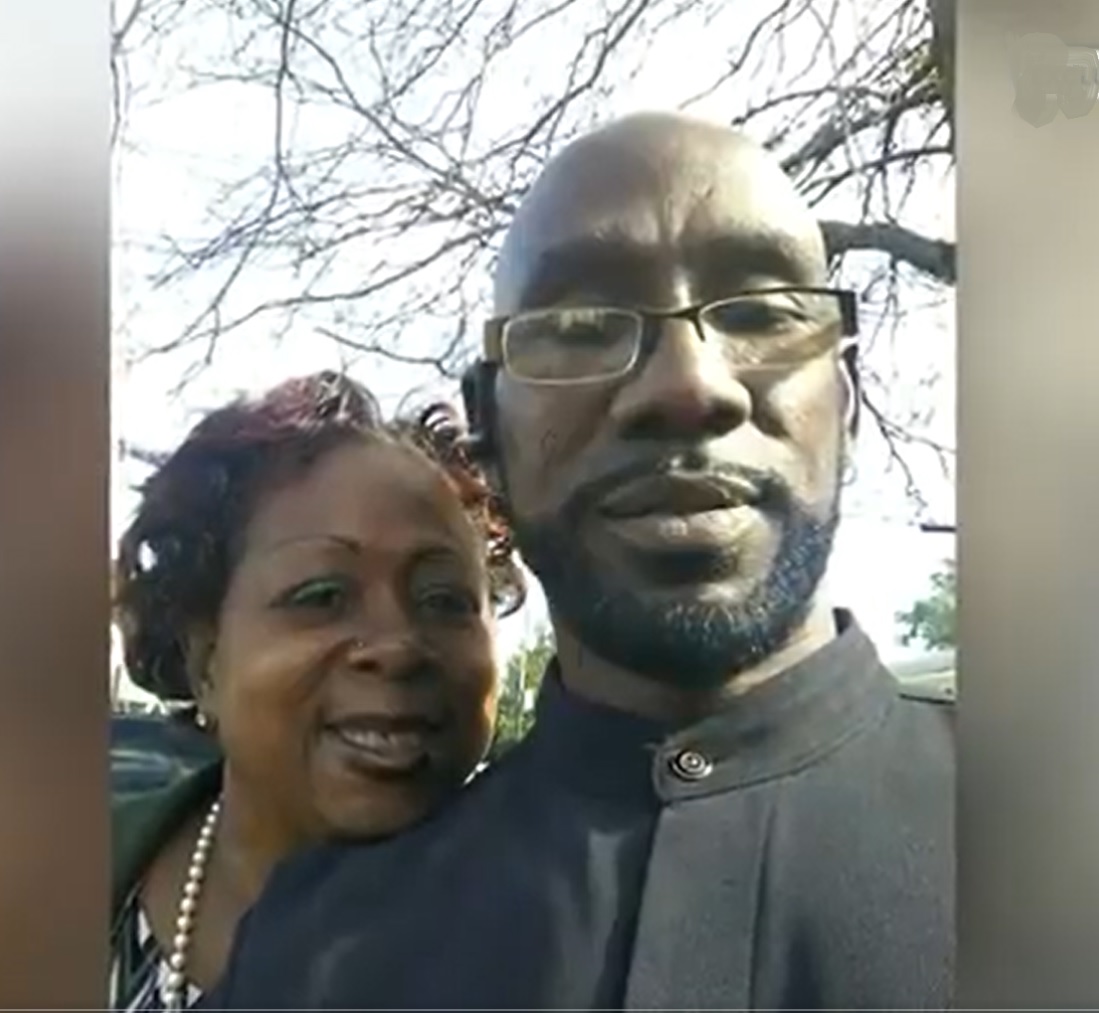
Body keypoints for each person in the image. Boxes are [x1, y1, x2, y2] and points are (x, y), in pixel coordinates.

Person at [202, 112, 954, 1010]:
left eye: (760, 313)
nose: (689, 384)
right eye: (584, 324)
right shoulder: (310, 958)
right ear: (486, 431)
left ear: (848, 400)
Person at [110, 371, 523, 1011]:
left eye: (444, 600)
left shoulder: (548, 940)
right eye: (323, 595)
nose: (398, 646)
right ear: (207, 662)